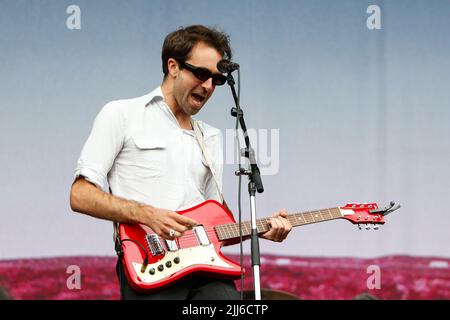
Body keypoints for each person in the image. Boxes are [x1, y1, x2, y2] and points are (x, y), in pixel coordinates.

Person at [70, 25, 292, 300]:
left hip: (205, 271)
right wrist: (147, 214)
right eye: (201, 73)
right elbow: (79, 195)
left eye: (217, 79)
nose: (209, 86)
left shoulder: (209, 136)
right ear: (172, 66)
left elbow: (214, 224)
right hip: (151, 263)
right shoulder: (121, 114)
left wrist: (262, 230)